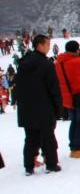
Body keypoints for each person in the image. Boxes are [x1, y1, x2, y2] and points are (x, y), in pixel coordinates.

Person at [15, 35, 63, 174]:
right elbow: (53, 88)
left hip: (26, 108)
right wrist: (58, 108)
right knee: (47, 137)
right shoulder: (46, 64)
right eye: (47, 44)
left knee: (30, 138)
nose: (49, 47)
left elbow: (18, 86)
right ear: (40, 45)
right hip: (44, 107)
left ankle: (28, 166)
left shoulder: (23, 62)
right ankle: (51, 164)